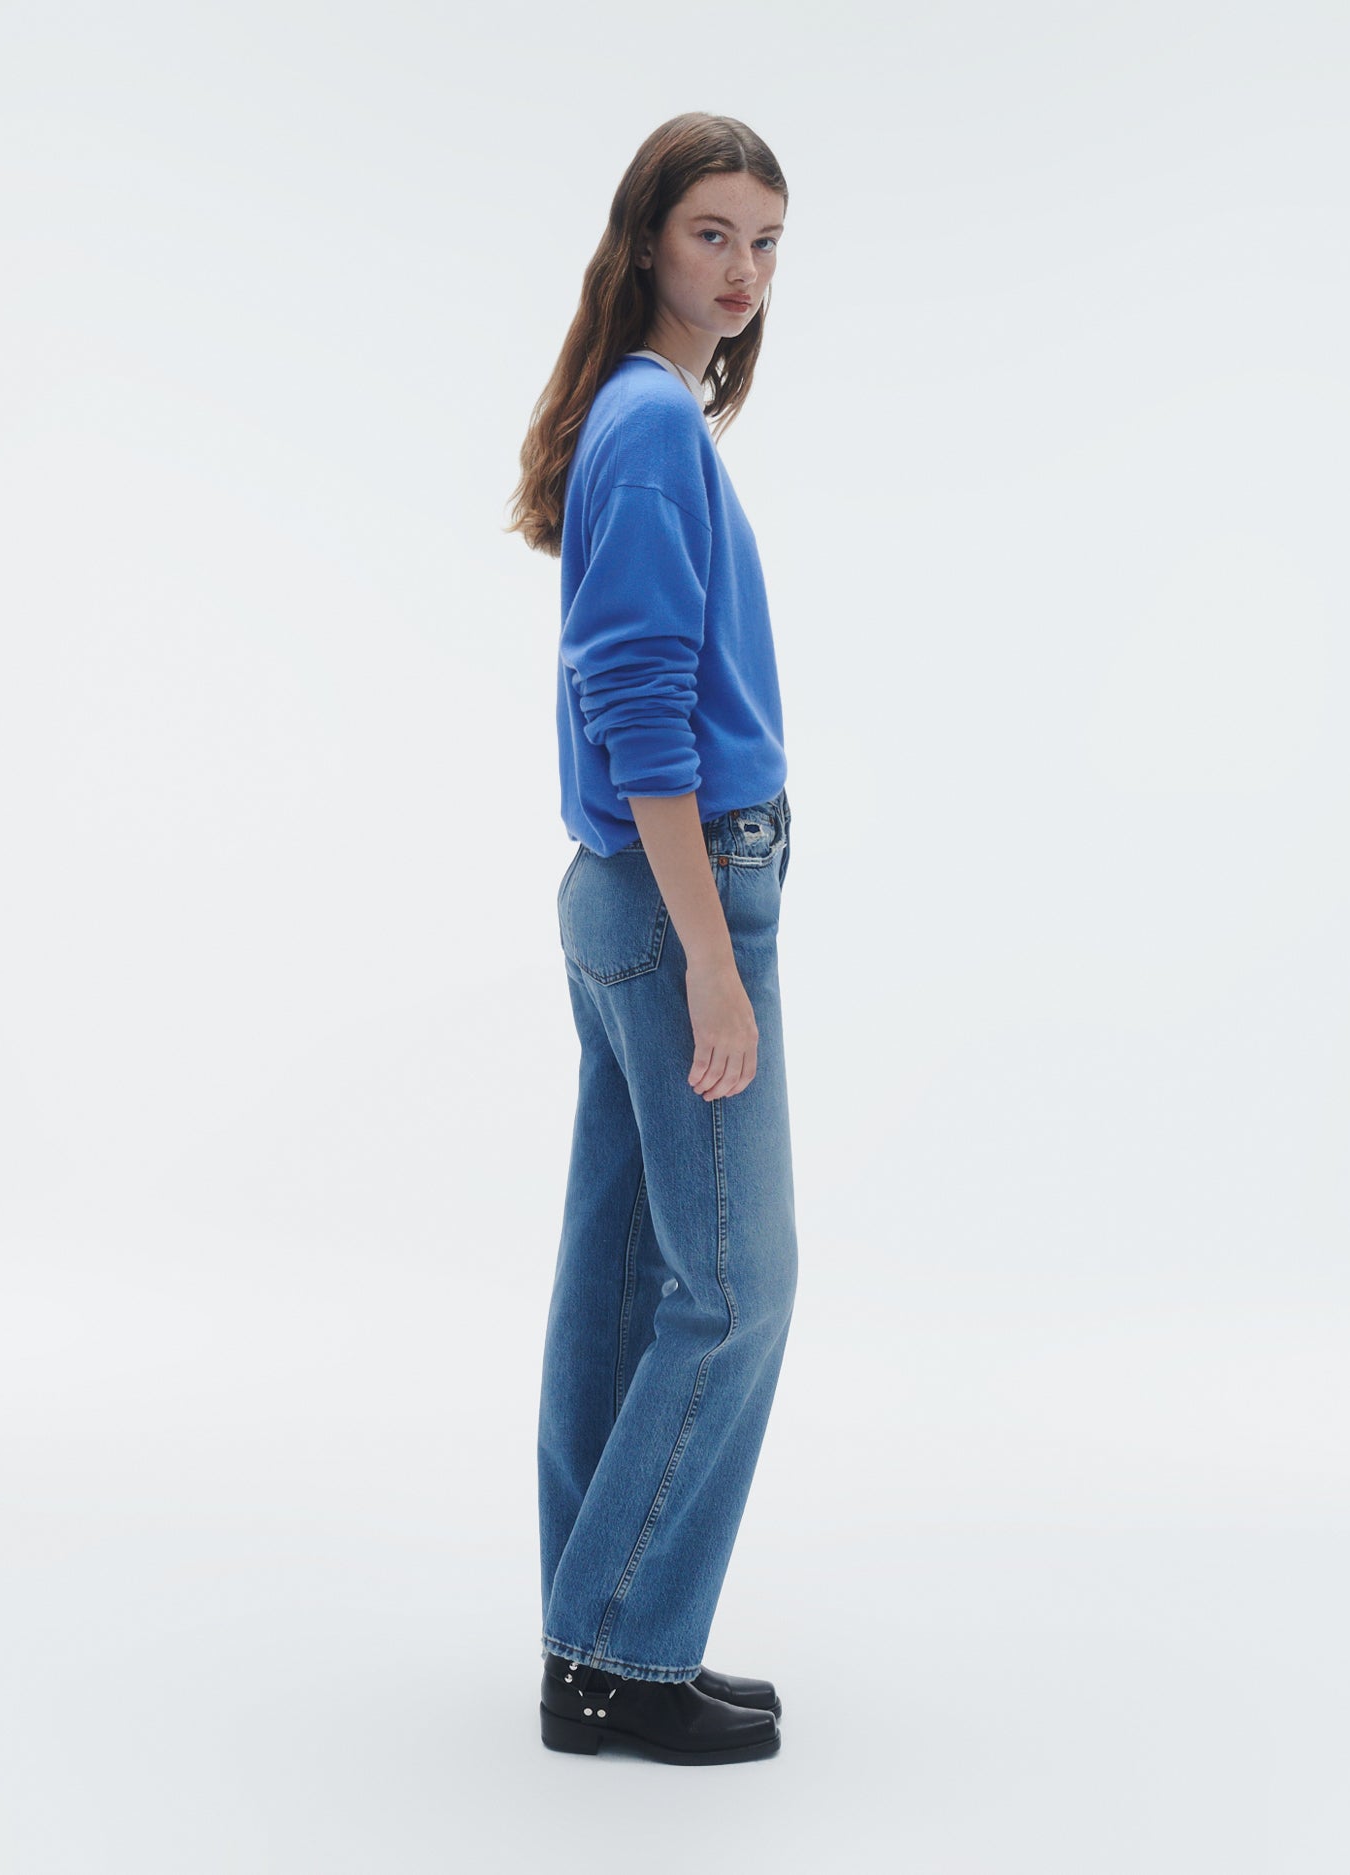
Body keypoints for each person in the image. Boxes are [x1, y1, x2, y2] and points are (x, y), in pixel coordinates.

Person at [506, 112, 798, 1766]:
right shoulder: (649, 426)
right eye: (712, 233)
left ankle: (596, 1637)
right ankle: (619, 1656)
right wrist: (712, 959)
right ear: (644, 241)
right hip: (678, 892)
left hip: (636, 891)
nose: (744, 270)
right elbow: (637, 711)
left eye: (765, 242)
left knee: (628, 1275)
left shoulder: (642, 414)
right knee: (739, 1286)